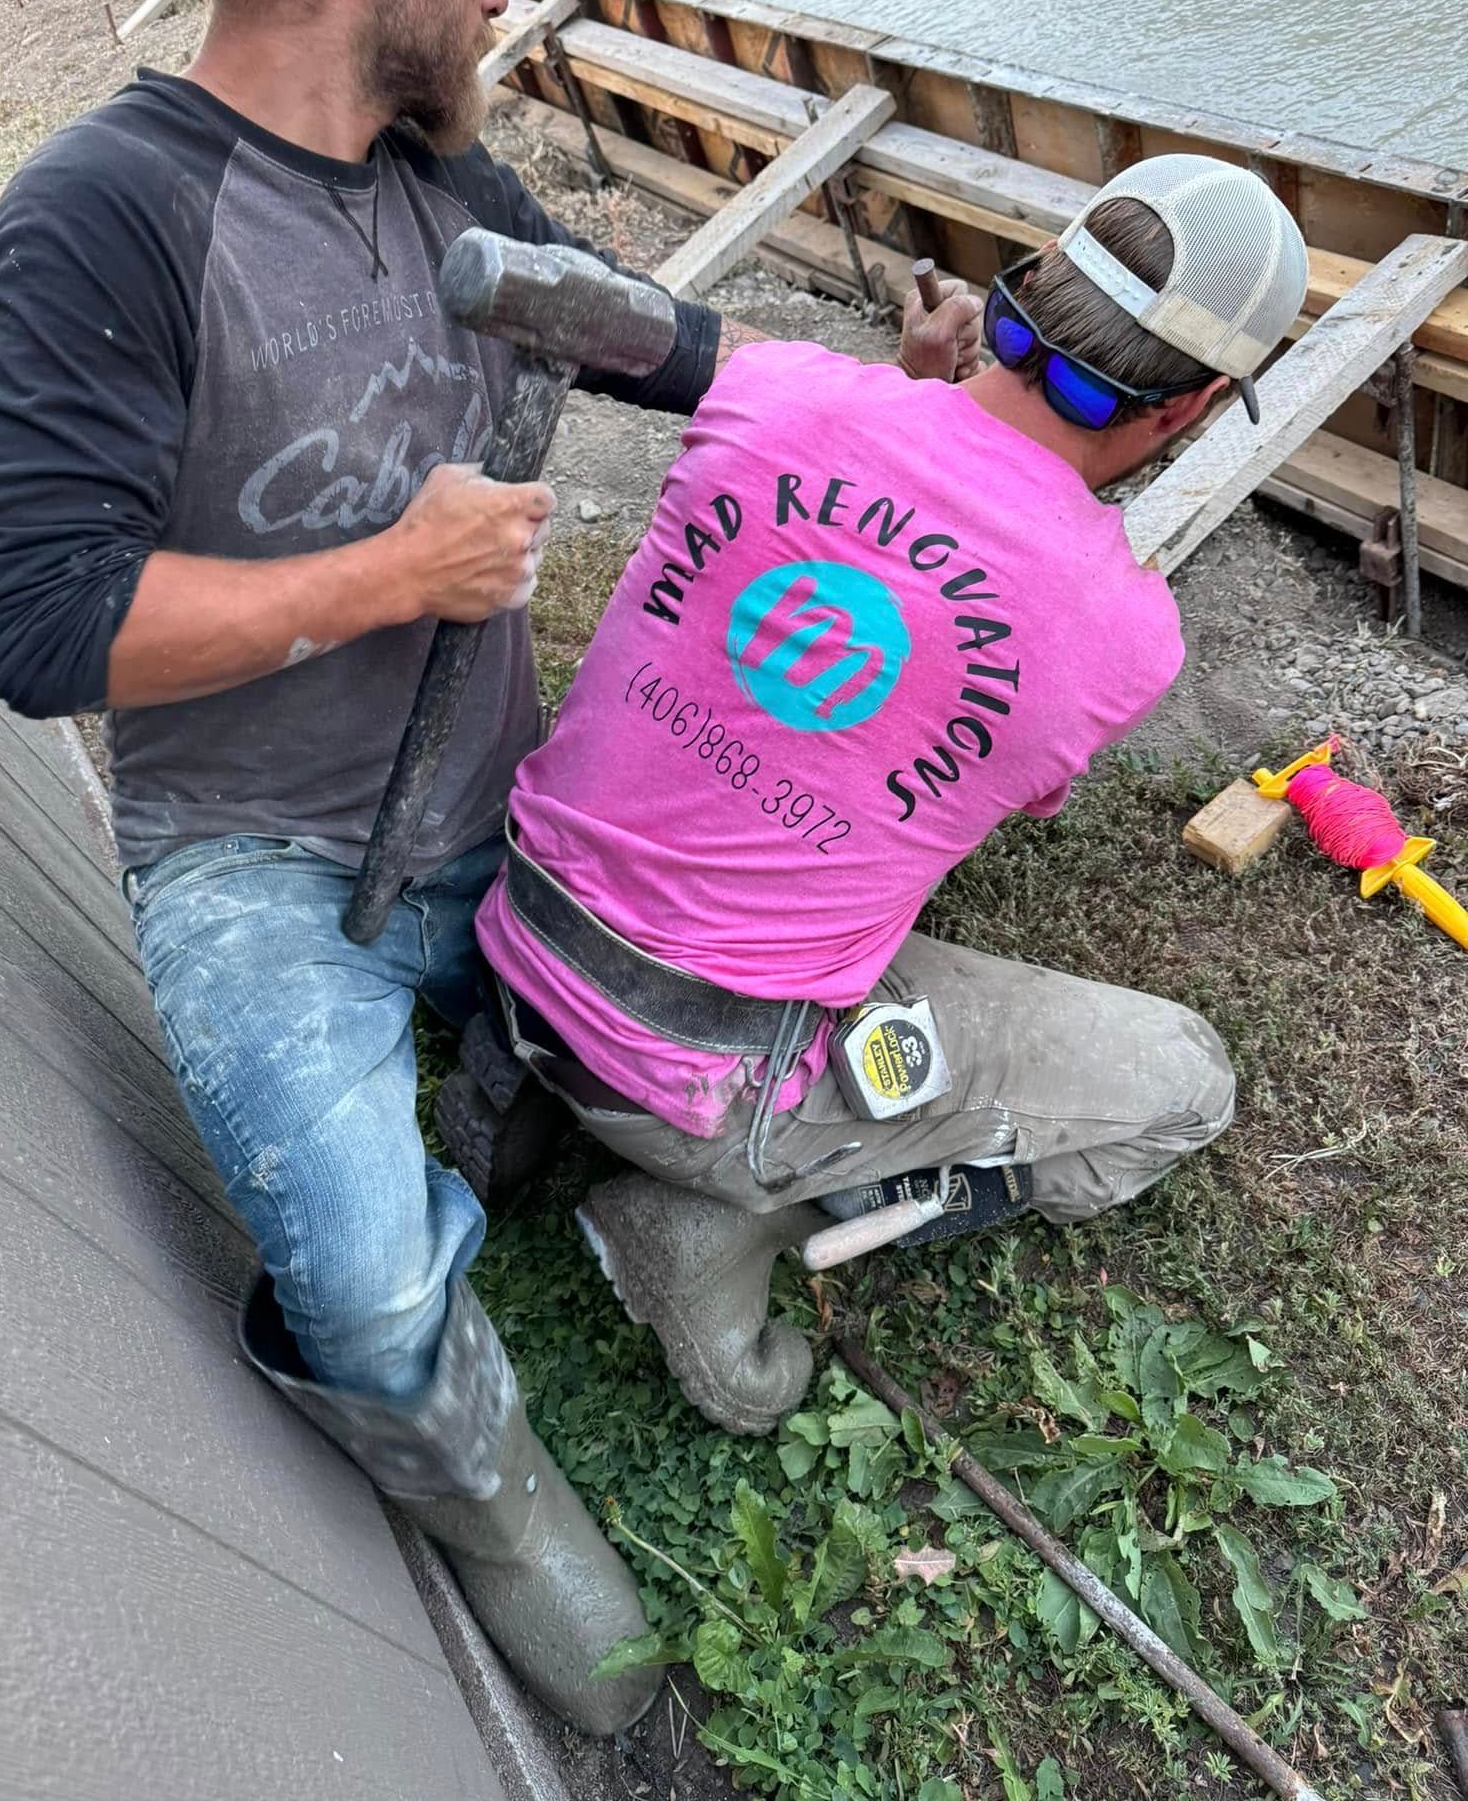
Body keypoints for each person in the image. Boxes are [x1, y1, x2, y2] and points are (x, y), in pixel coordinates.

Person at [0, 0, 976, 1735]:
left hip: (503, 819)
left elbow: (680, 353)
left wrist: (888, 389)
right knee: (358, 1282)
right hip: (261, 875)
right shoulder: (110, 215)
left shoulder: (460, 198)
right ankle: (543, 1567)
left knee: (749, 1007)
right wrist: (384, 570)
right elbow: (38, 622)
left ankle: (541, 1104)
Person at [477, 154, 1311, 1439]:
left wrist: (916, 387)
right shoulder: (1121, 631)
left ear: (1020, 287)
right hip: (707, 1074)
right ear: (1189, 409)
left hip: (520, 936)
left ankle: (574, 1107)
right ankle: (725, 1214)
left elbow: (858, 540)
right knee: (1185, 1081)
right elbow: (976, 751)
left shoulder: (775, 388)